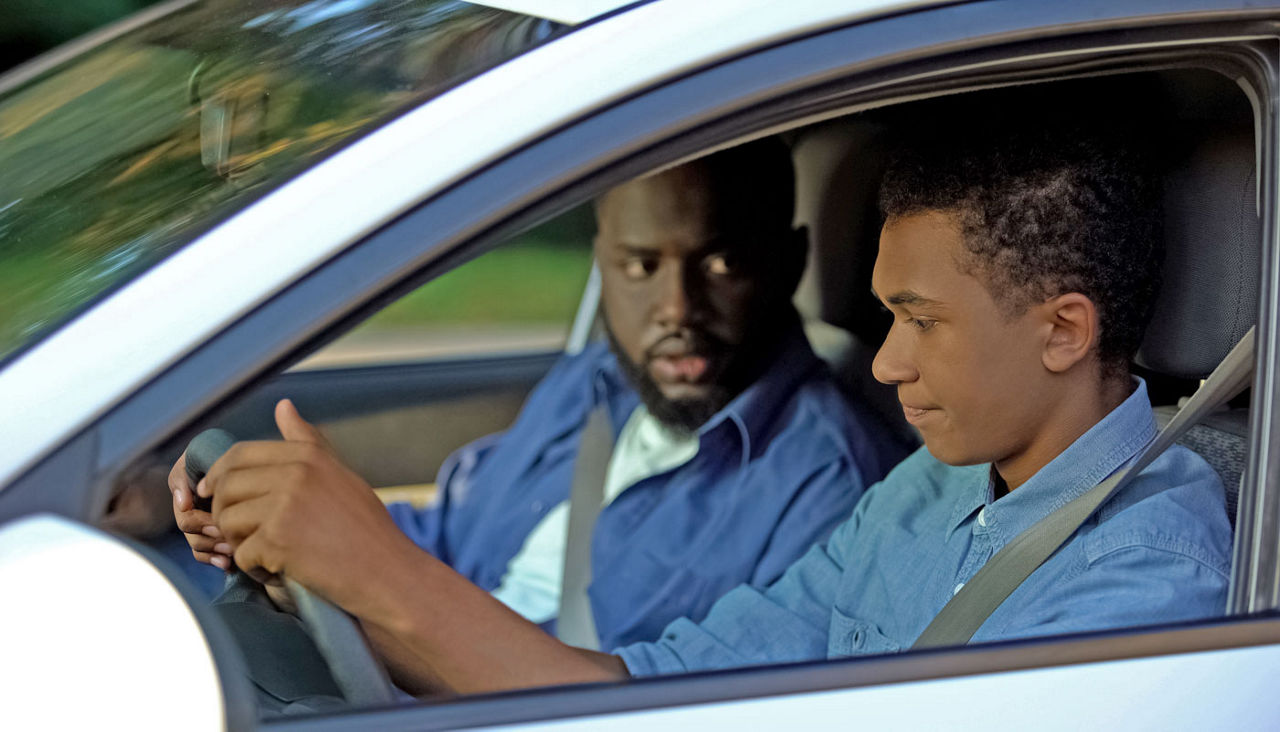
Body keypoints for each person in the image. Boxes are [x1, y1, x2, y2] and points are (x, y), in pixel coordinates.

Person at [170, 138, 906, 651]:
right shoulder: (592, 386)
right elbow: (452, 539)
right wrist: (264, 517)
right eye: (641, 265)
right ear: (603, 264)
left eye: (719, 264)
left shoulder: (828, 488)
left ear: (790, 263)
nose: (677, 309)